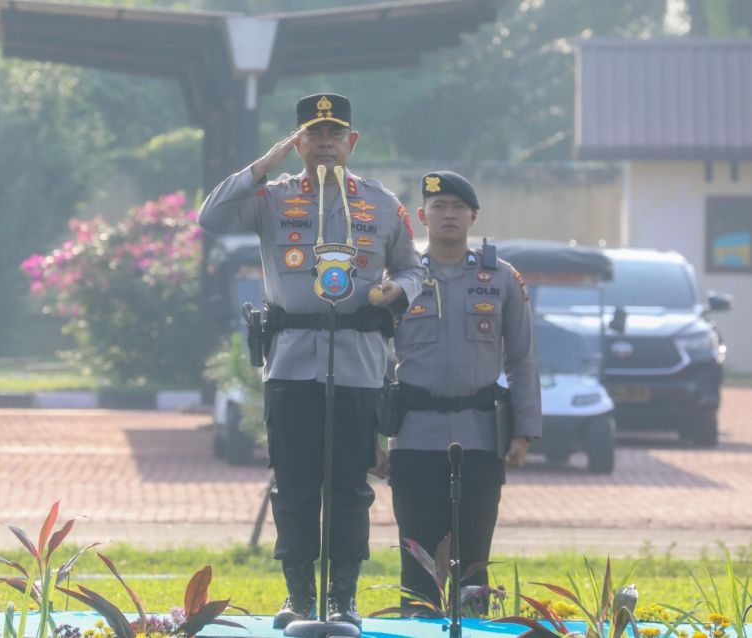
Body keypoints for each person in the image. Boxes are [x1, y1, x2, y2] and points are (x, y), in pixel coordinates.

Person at [198, 93, 424, 629]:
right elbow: (211, 216)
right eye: (313, 135)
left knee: (350, 485)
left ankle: (344, 598)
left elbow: (414, 268)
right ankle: (299, 596)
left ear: (351, 141)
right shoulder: (272, 198)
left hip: (359, 362)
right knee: (294, 484)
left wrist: (399, 291)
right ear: (298, 141)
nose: (324, 143)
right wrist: (266, 162)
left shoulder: (379, 201)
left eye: (334, 134)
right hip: (292, 362)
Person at [386, 170, 542, 615]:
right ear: (421, 216)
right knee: (416, 558)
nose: (448, 215)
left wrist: (523, 432)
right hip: (413, 437)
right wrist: (368, 444)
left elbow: (523, 359)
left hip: (479, 438)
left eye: (458, 207)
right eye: (439, 207)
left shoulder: (502, 278)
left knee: (474, 560)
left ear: (473, 216)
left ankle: (474, 629)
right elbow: (370, 363)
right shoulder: (401, 278)